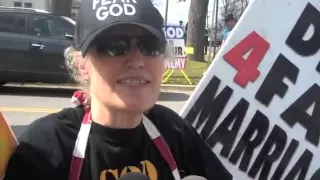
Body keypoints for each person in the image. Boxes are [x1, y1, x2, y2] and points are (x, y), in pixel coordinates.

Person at [3, 0, 233, 180]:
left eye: (150, 46)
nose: (137, 61)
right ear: (82, 65)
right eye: (114, 47)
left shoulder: (174, 131)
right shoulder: (47, 146)